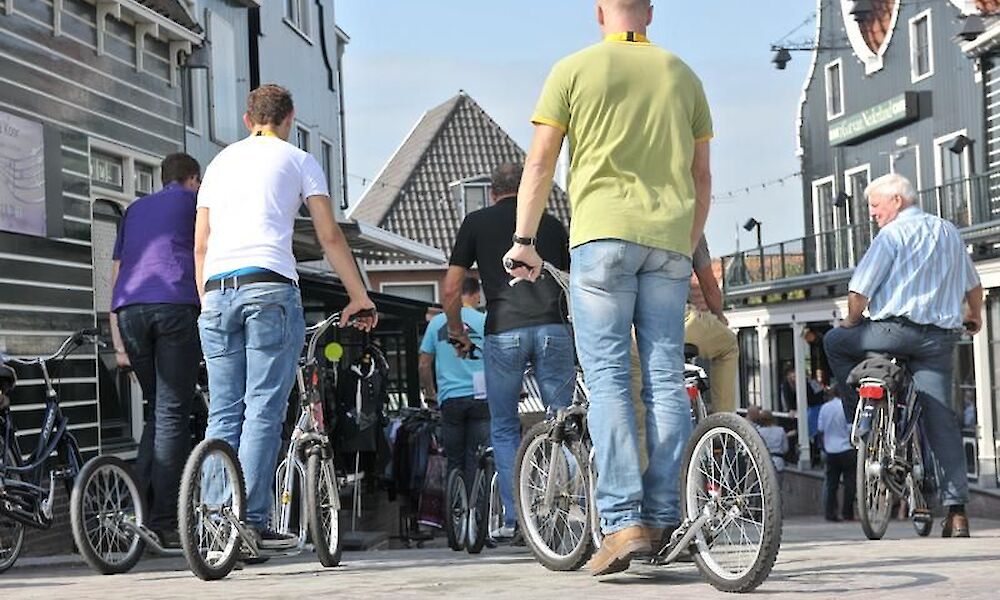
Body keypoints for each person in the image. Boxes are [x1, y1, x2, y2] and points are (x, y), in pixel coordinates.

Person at [503, 0, 713, 575]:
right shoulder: (682, 73)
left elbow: (541, 162)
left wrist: (524, 239)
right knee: (667, 380)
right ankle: (668, 514)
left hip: (601, 240)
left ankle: (623, 524)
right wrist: (685, 243)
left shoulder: (572, 70)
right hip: (668, 242)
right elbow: (701, 177)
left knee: (610, 380)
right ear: (650, 12)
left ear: (600, 12)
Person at [194, 84, 377, 547]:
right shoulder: (298, 160)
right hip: (268, 288)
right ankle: (250, 521)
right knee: (262, 409)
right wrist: (359, 297)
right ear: (290, 119)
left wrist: (208, 303)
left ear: (246, 118)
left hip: (216, 292)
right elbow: (329, 236)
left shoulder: (218, 164)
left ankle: (216, 521)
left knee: (224, 411)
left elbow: (200, 243)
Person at [824, 173, 982, 538]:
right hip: (938, 341)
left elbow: (859, 291)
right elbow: (974, 286)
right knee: (941, 420)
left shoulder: (891, 235)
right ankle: (957, 513)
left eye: (875, 206)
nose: (873, 214)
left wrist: (850, 323)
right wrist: (973, 316)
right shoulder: (949, 233)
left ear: (897, 200)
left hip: (891, 333)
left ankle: (859, 425)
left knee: (834, 342)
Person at [446, 163, 574, 537]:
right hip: (553, 327)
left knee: (503, 427)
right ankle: (565, 513)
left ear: (492, 192)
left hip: (503, 330)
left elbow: (453, 288)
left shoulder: (476, 221)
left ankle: (517, 520)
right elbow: (570, 282)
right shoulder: (552, 225)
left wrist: (457, 331)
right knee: (562, 422)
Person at [109, 153, 202, 548]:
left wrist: (117, 343)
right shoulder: (198, 201)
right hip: (174, 304)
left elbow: (116, 272)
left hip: (130, 312)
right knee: (171, 415)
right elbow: (208, 250)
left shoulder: (133, 209)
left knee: (157, 412)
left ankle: (136, 515)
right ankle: (166, 521)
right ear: (193, 179)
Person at [630, 235, 738, 470]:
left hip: (638, 331)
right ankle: (723, 429)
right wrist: (719, 317)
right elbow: (709, 286)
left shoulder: (627, 221)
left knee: (641, 424)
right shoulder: (688, 218)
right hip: (679, 323)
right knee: (728, 346)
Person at [419, 277, 489, 492]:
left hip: (450, 399)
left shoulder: (437, 323)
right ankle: (476, 513)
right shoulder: (484, 320)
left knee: (454, 460)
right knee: (476, 460)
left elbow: (423, 364)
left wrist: (430, 394)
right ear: (475, 295)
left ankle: (455, 510)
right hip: (480, 398)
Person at [817, 387, 856, 522]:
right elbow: (852, 429)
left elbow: (820, 429)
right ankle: (847, 512)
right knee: (850, 483)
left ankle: (830, 512)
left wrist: (823, 446)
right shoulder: (845, 408)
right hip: (846, 448)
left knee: (831, 484)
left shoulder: (824, 408)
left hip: (831, 450)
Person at [752, 409, 788, 485]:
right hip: (778, 463)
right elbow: (785, 448)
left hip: (763, 464)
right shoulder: (780, 430)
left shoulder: (758, 431)